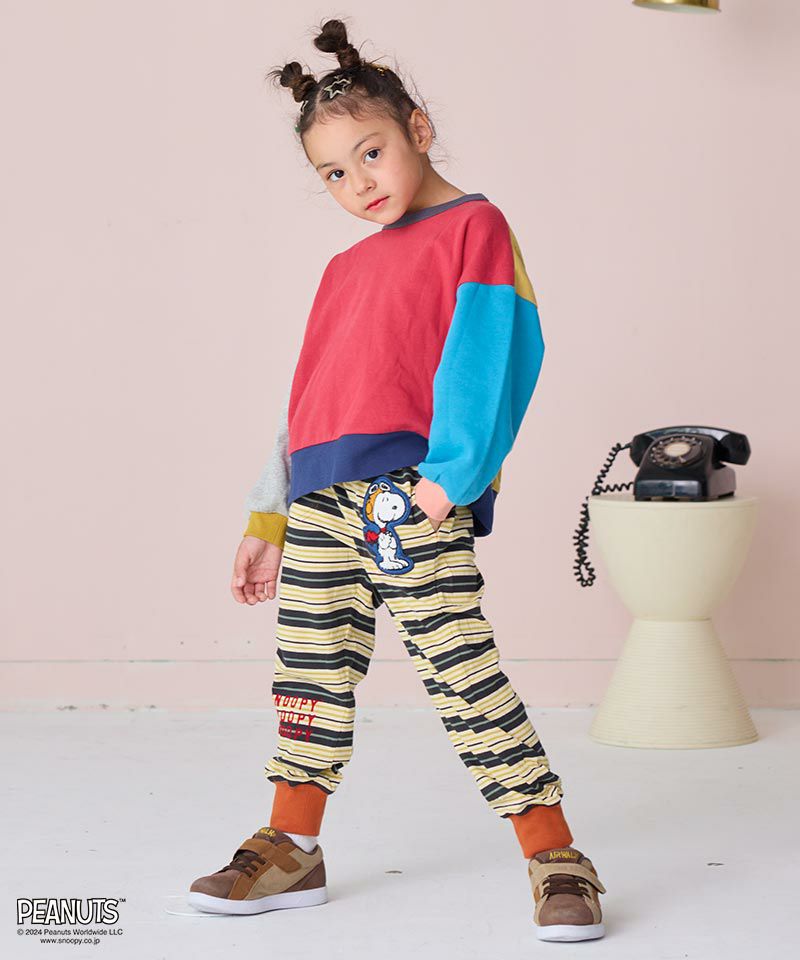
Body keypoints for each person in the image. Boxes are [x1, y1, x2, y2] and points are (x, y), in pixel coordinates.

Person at [188, 17, 607, 943]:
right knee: (309, 671)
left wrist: (452, 477)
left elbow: (493, 358)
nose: (359, 183)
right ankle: (292, 845)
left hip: (408, 494)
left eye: (371, 153)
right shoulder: (343, 269)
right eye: (334, 174)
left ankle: (555, 854)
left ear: (419, 128)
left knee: (461, 670)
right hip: (320, 500)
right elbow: (309, 399)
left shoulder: (475, 228)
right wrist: (268, 516)